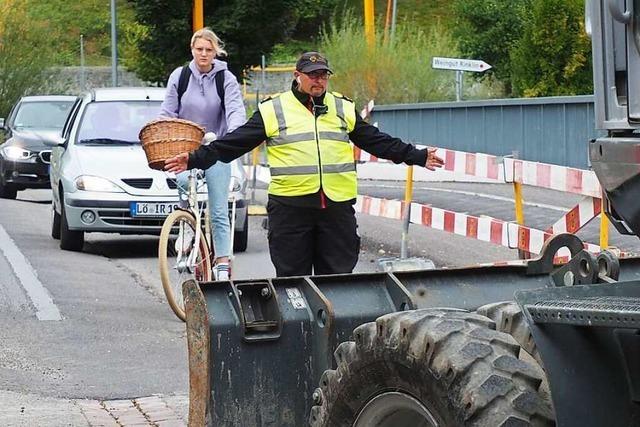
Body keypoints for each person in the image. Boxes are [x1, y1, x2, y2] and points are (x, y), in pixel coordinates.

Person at [165, 51, 444, 277]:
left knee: (338, 282)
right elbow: (234, 143)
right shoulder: (274, 109)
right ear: (297, 76)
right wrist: (193, 158)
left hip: (335, 210)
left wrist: (417, 156)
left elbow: (376, 141)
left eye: (323, 75)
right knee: (293, 283)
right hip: (291, 210)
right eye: (312, 75)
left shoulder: (342, 107)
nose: (318, 81)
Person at [160, 27, 246, 280]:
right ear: (192, 49)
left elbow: (234, 111)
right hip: (186, 147)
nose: (204, 54)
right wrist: (165, 133)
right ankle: (186, 223)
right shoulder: (181, 76)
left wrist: (233, 137)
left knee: (219, 211)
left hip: (216, 147)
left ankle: (221, 263)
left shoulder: (225, 78)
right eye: (200, 49)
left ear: (215, 52)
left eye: (209, 50)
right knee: (185, 183)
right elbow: (168, 111)